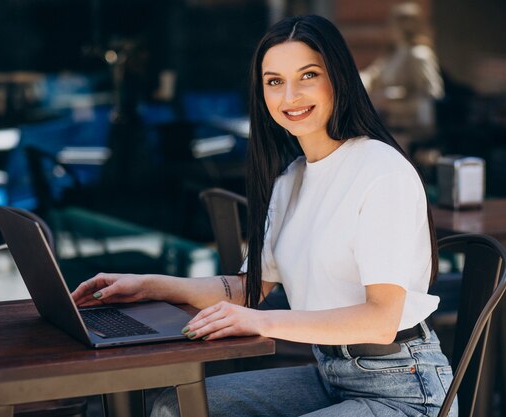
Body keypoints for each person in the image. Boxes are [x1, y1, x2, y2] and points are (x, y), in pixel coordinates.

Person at [72, 14, 456, 417]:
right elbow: (249, 290)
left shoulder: (381, 170)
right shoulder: (291, 179)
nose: (289, 96)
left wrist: (262, 323)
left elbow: (380, 321)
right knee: (174, 407)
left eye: (307, 75)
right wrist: (150, 286)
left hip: (404, 388)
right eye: (274, 81)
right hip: (331, 373)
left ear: (339, 79)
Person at [360, 2, 444, 148]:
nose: (389, 29)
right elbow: (371, 75)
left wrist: (398, 97)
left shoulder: (419, 55)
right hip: (388, 126)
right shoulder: (391, 55)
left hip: (410, 132)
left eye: (392, 24)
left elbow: (432, 94)